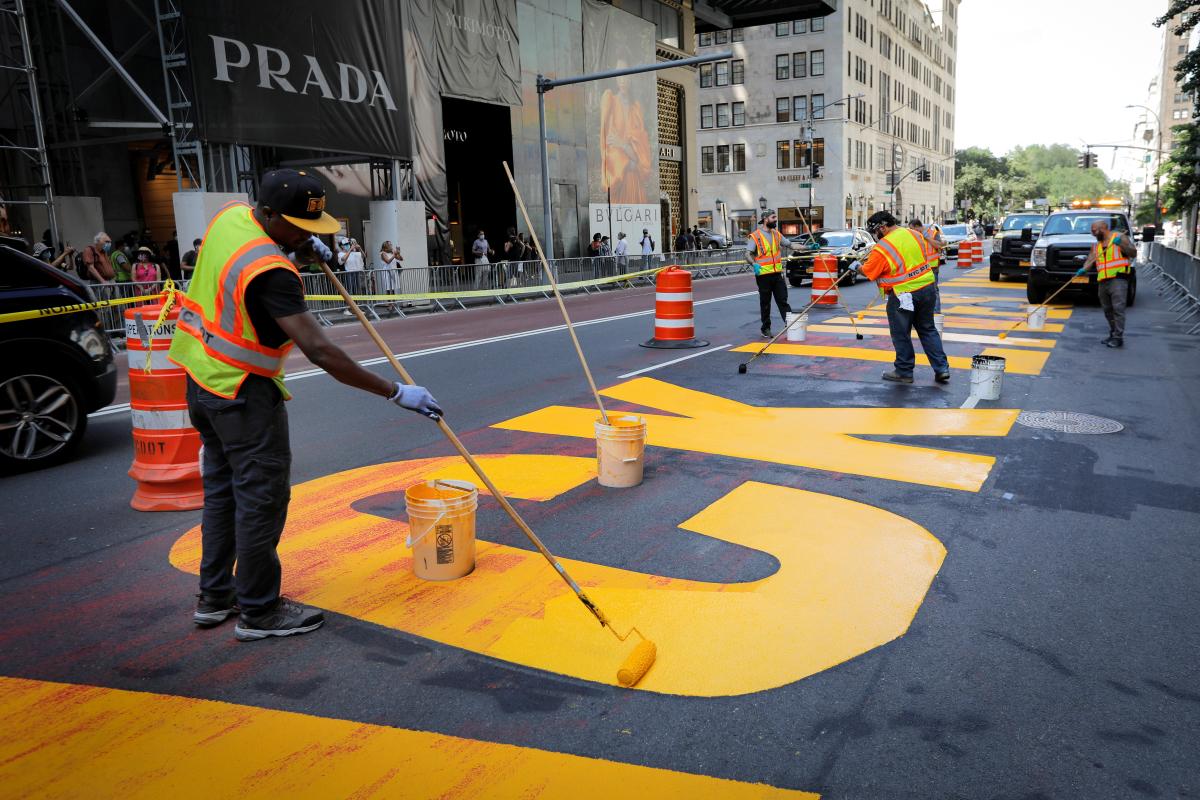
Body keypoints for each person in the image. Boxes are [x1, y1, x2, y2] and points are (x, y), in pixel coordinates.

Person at [168, 168, 442, 641]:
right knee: (261, 500)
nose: (305, 236)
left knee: (224, 494)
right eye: (297, 227)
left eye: (312, 229)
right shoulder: (272, 273)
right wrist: (395, 392)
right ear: (269, 213)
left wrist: (293, 245)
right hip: (242, 393)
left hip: (201, 381)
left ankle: (215, 598)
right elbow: (321, 351)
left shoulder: (232, 217)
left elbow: (249, 258)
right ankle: (259, 611)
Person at [849, 211, 950, 384]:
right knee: (927, 329)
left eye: (875, 232)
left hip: (904, 294)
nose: (875, 236)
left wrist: (857, 266)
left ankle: (904, 371)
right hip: (927, 288)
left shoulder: (883, 248)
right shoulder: (914, 234)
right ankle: (941, 369)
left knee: (901, 333)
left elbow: (869, 272)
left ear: (883, 227)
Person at [1082, 218, 1137, 348]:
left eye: (1094, 231)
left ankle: (1118, 337)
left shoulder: (1119, 237)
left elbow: (1133, 253)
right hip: (1103, 280)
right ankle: (1113, 333)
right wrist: (1083, 269)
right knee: (1107, 310)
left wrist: (1122, 245)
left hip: (1118, 279)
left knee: (1118, 309)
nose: (1092, 234)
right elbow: (1091, 259)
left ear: (1102, 229)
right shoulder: (1097, 245)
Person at [744, 208, 791, 338]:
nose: (776, 220)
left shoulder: (777, 234)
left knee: (783, 300)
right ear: (766, 219)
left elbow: (791, 245)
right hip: (763, 275)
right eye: (773, 217)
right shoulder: (756, 236)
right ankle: (765, 328)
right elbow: (748, 253)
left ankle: (791, 324)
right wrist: (754, 264)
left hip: (777, 274)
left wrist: (809, 247)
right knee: (765, 303)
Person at [909, 219, 945, 312]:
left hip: (932, 266)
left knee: (933, 290)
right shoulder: (913, 235)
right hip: (918, 267)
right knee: (918, 290)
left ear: (917, 226)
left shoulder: (933, 233)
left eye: (912, 228)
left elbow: (939, 245)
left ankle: (936, 311)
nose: (911, 230)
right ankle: (922, 312)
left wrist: (927, 238)